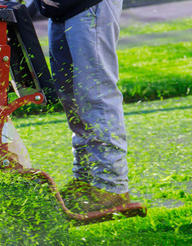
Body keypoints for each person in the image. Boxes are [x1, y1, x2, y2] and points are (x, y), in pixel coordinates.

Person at [35, 0, 130, 213]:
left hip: (89, 5)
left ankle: (112, 185)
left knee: (94, 91)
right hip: (60, 9)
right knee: (70, 95)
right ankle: (86, 179)